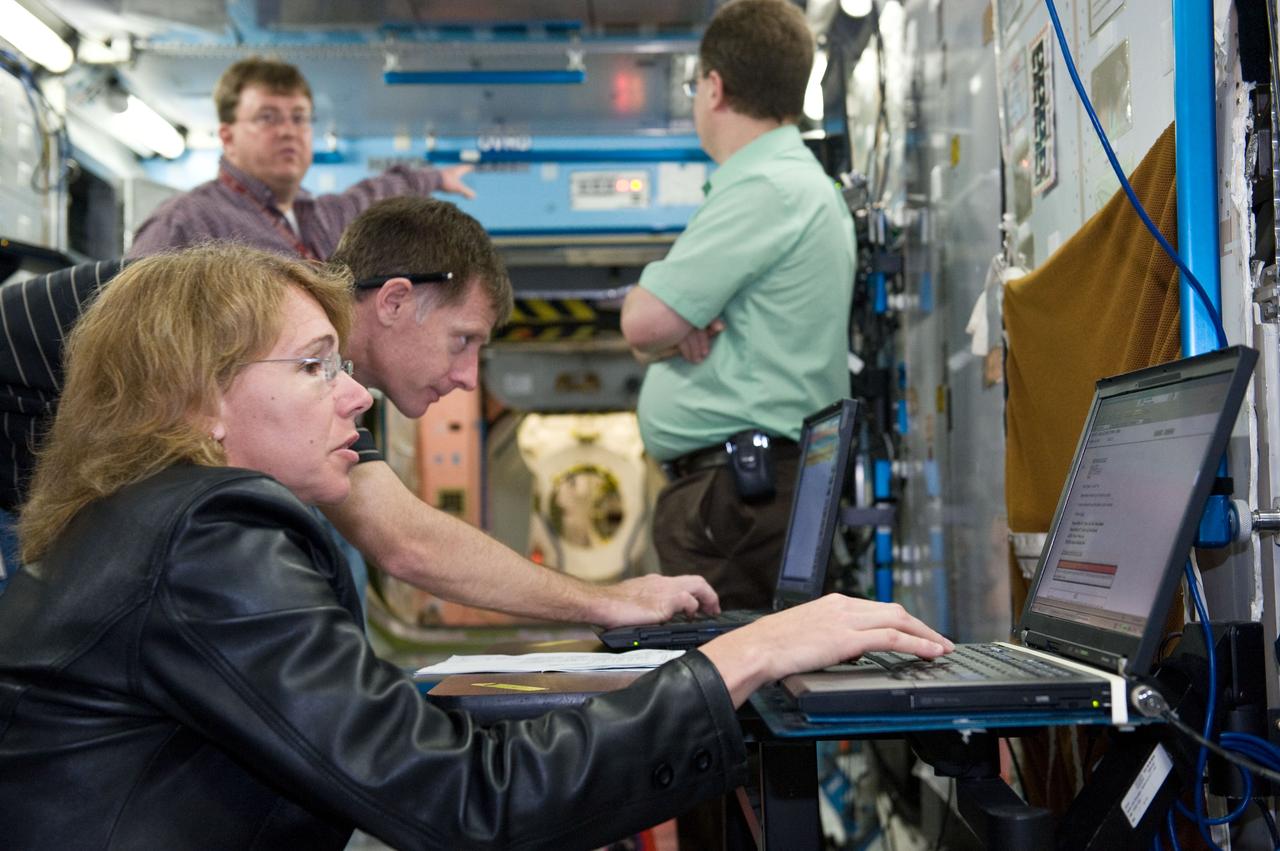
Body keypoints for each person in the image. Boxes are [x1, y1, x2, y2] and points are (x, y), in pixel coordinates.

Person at [0, 244, 952, 849]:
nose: (356, 394)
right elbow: (470, 808)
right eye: (312, 366)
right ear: (193, 401)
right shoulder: (209, 535)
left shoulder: (135, 518)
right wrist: (749, 652)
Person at [0, 200, 718, 625]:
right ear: (398, 300)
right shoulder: (238, 317)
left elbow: (406, 536)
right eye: (462, 342)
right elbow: (409, 544)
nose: (468, 378)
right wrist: (608, 601)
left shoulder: (316, 379)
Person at [621, 0, 856, 611]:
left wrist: (665, 326)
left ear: (715, 88)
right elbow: (660, 329)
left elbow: (641, 320)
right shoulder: (787, 182)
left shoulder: (763, 186)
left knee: (734, 695)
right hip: (750, 494)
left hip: (739, 500)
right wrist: (681, 327)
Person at [126, 56, 475, 261]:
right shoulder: (188, 221)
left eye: (299, 117)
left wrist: (435, 179)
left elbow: (374, 194)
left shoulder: (321, 216)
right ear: (227, 137)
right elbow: (127, 328)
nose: (288, 131)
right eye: (268, 117)